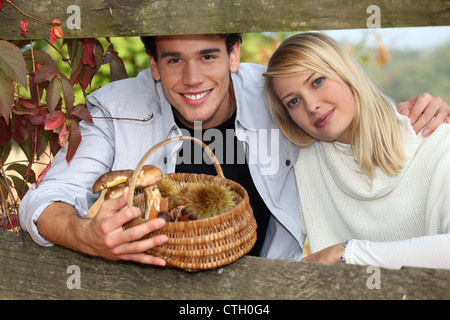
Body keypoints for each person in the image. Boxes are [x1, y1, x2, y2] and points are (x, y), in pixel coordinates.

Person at [19, 33, 449, 267]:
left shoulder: (280, 95)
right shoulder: (115, 110)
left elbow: (349, 111)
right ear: (153, 64)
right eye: (173, 60)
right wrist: (85, 235)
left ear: (233, 54)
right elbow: (44, 200)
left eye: (207, 56)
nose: (192, 78)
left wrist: (409, 113)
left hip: (260, 288)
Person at [263, 32, 450, 269]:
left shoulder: (435, 138)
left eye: (317, 81)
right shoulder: (300, 163)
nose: (311, 105)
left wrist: (347, 253)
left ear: (346, 72)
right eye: (293, 101)